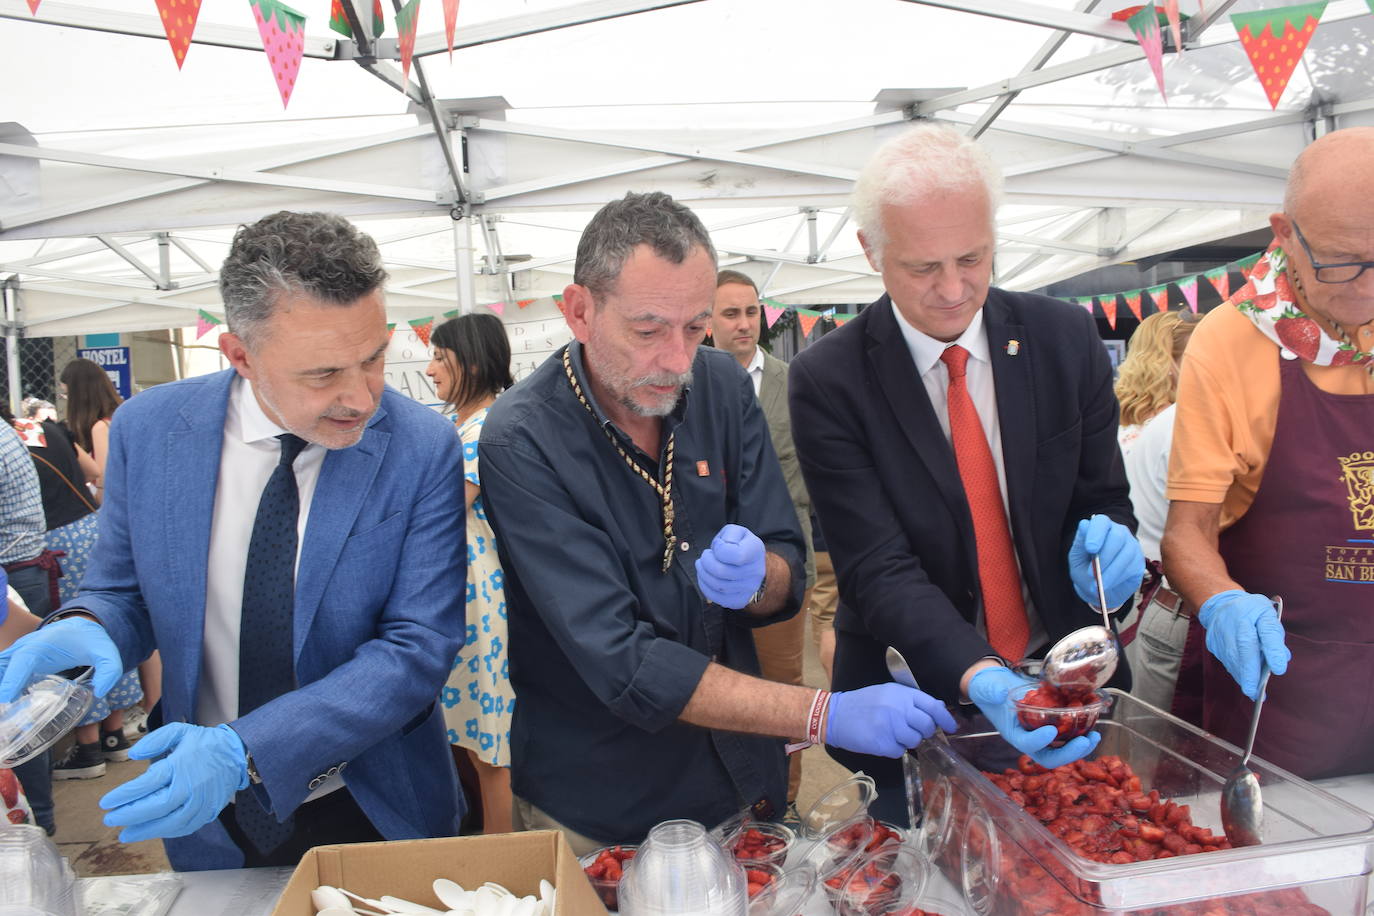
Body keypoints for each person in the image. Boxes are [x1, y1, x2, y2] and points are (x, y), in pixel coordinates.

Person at [478, 191, 957, 854]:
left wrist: (763, 577)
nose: (678, 359)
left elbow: (786, 556)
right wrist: (826, 712)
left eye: (695, 327)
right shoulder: (521, 438)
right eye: (648, 331)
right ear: (580, 311)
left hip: (739, 781)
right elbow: (625, 662)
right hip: (601, 801)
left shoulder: (723, 389)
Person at [0, 210, 469, 870]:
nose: (362, 398)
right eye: (323, 374)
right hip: (205, 816)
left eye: (374, 359)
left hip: (373, 803)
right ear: (240, 355)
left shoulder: (420, 447)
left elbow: (419, 648)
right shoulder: (149, 432)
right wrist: (92, 624)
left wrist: (247, 750)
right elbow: (125, 591)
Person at [789, 124, 1143, 825]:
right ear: (871, 252)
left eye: (972, 258)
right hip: (914, 702)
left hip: (1067, 687)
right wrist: (983, 676)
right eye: (923, 268)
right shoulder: (828, 380)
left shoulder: (1063, 339)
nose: (953, 290)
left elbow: (1102, 499)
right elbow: (878, 568)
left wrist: (1114, 556)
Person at [1161, 127, 1374, 780]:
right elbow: (1185, 537)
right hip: (1284, 700)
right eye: (1341, 263)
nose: (1367, 289)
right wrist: (1222, 599)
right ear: (1284, 234)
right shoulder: (1232, 341)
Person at [709, 269, 814, 817]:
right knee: (725, 690)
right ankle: (737, 801)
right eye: (732, 313)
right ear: (707, 320)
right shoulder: (690, 385)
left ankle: (785, 801)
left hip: (776, 571)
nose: (746, 323)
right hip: (708, 574)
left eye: (752, 312)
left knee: (783, 687)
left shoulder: (793, 382)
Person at [2, 405, 138, 778]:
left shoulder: (102, 425)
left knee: (69, 652)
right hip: (71, 538)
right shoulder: (44, 429)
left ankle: (90, 746)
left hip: (39, 558)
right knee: (86, 645)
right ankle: (112, 737)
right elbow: (95, 474)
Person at [426, 312, 516, 835]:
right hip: (466, 598)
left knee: (490, 749)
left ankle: (500, 863)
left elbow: (438, 510)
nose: (432, 368)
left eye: (442, 357)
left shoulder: (484, 427)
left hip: (482, 603)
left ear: (474, 363)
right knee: (478, 744)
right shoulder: (471, 422)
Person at [1112, 310, 1199, 712]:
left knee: (1141, 724)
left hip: (1141, 585)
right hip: (1170, 588)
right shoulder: (1185, 420)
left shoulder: (1139, 421)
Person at [59, 358, 122, 495]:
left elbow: (103, 483)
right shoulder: (118, 416)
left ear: (79, 394)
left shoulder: (101, 427)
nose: (67, 400)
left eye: (67, 394)